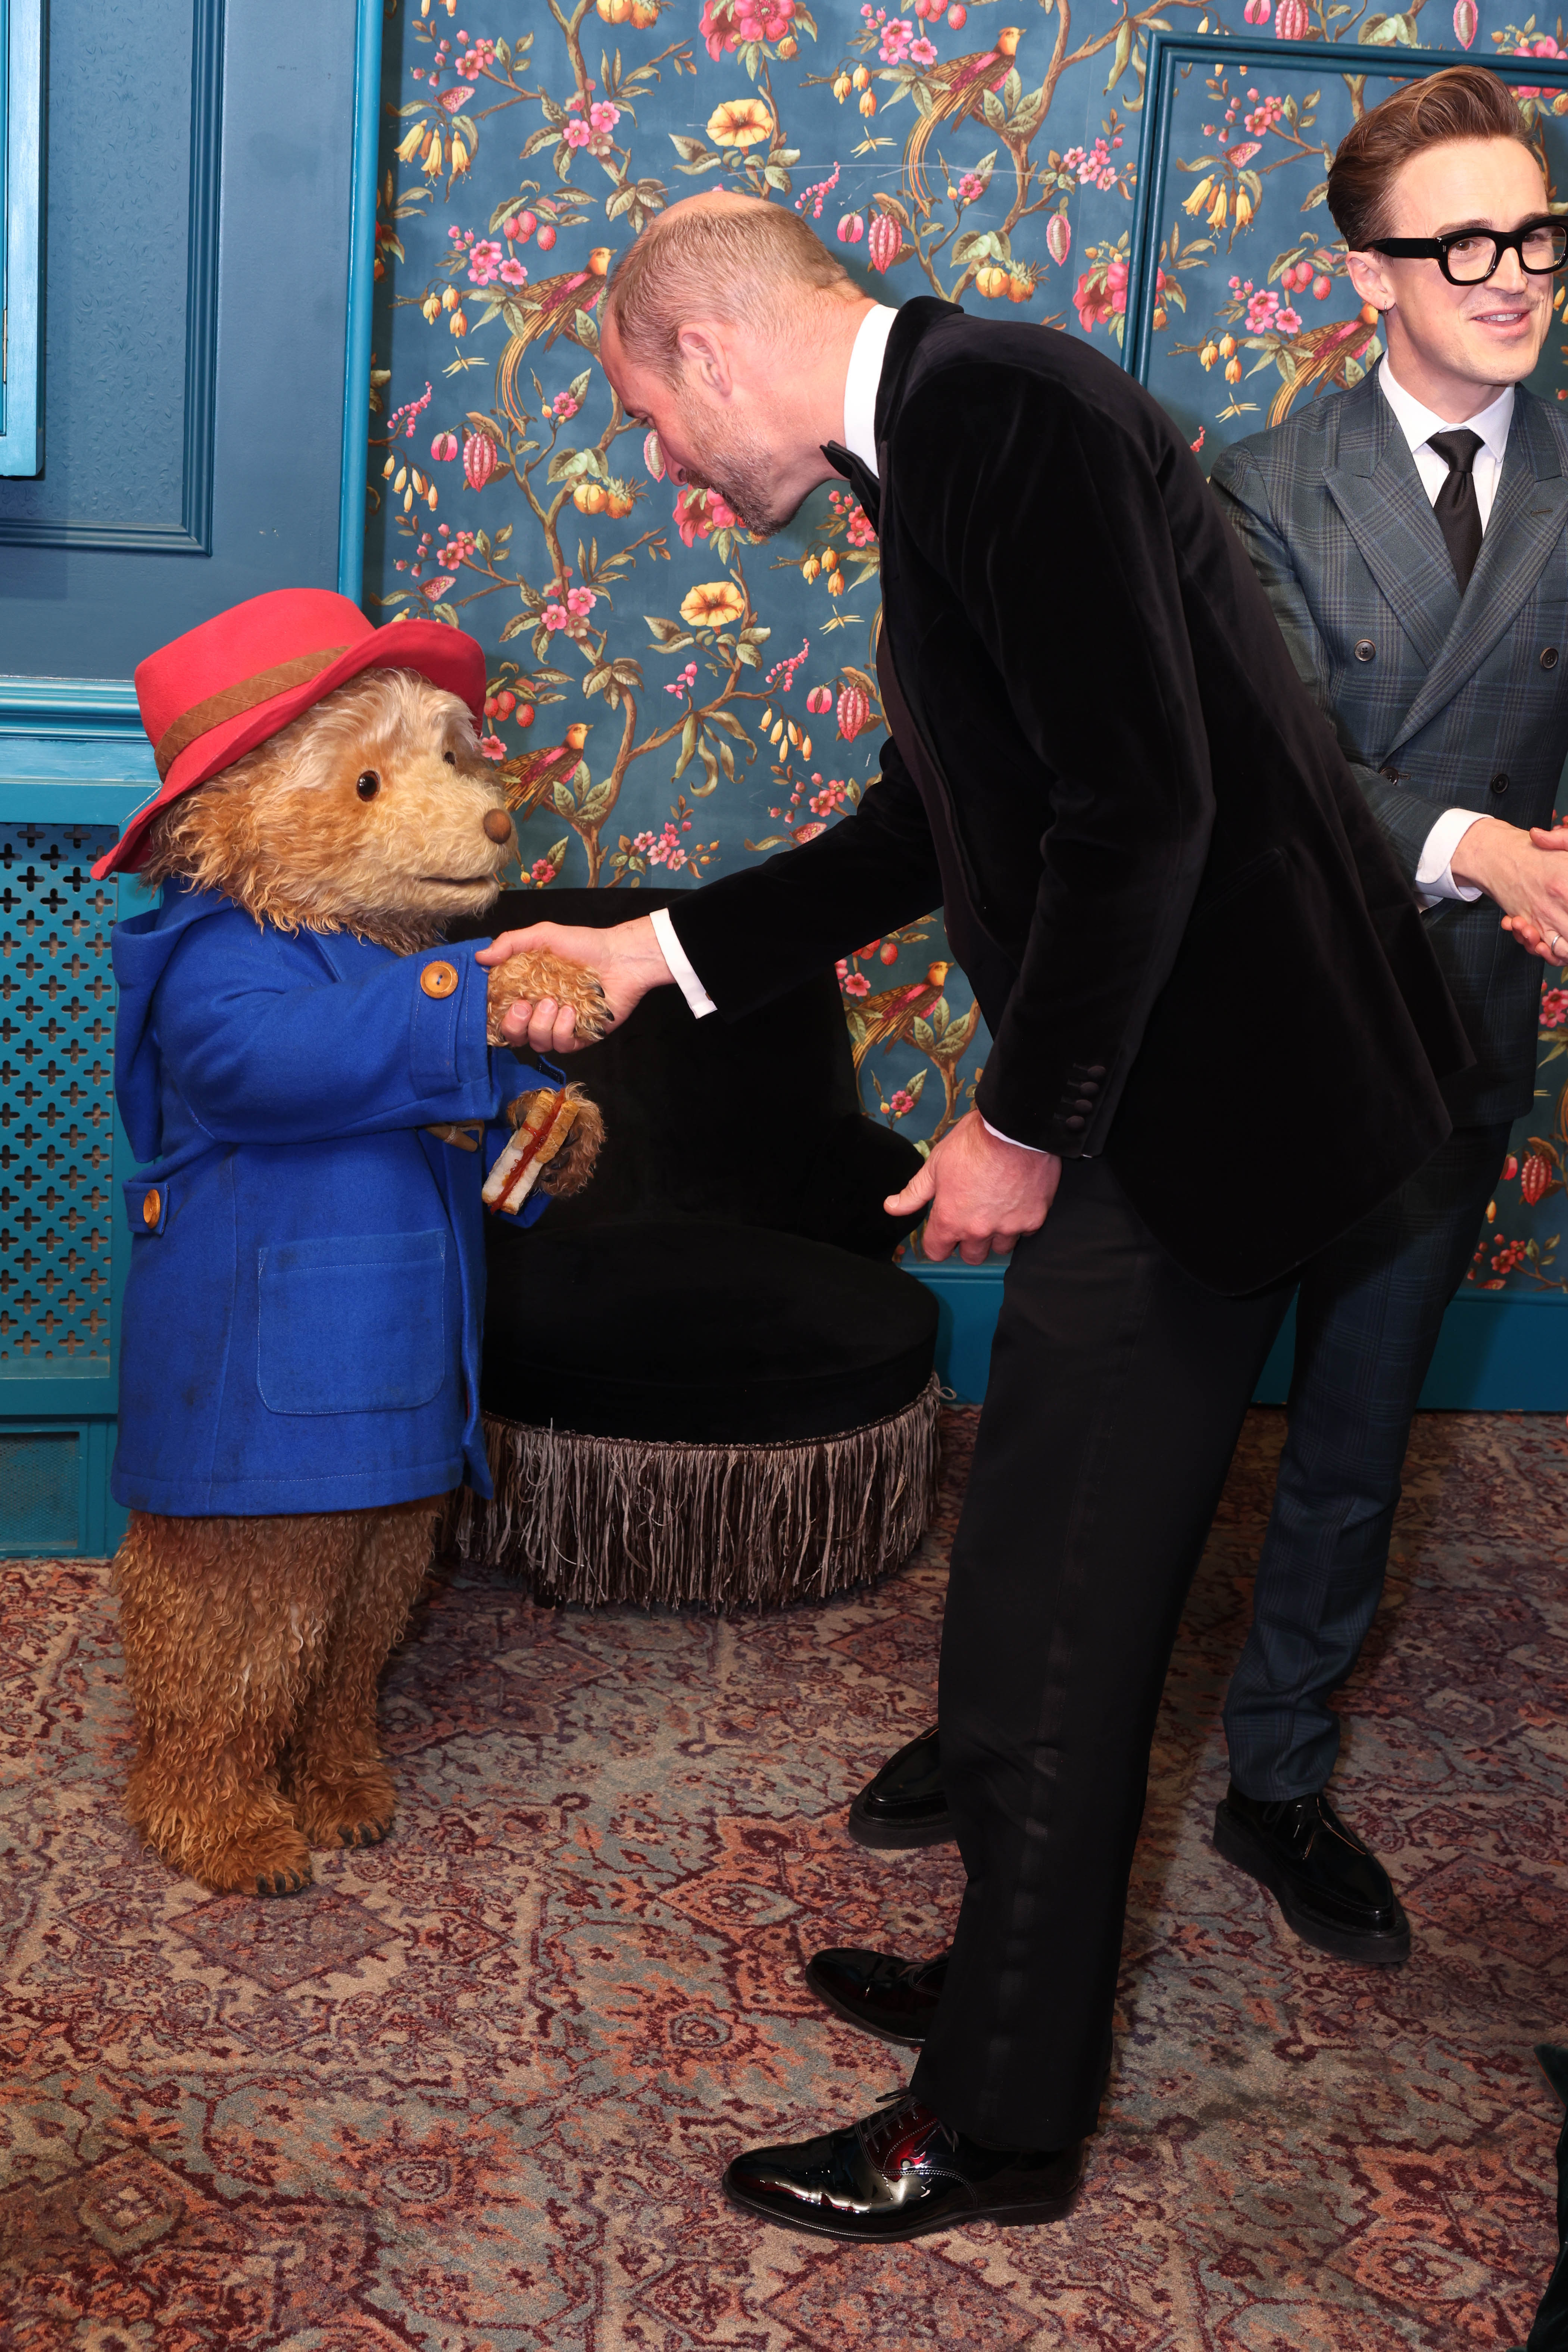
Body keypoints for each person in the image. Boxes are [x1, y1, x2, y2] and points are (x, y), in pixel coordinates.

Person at [477, 190, 1470, 2242]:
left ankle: (997, 2124)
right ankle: (1009, 1990)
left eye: (651, 424)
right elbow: (922, 827)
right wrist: (644, 952)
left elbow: (1141, 811)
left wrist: (1021, 1123)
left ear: (705, 349)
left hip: (1208, 1126)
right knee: (1025, 1595)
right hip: (1164, 1103)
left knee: (1052, 1624)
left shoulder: (998, 416)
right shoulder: (934, 439)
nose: (665, 473)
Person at [843, 66, 1568, 1978]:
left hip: (1451, 1041)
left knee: (1354, 1428)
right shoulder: (1242, 476)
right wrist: (1486, 840)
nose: (1513, 276)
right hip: (1216, 1047)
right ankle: (1006, 1734)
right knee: (1096, 1434)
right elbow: (1266, 771)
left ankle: (1278, 1776)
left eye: (1538, 235)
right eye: (1465, 242)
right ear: (1365, 276)